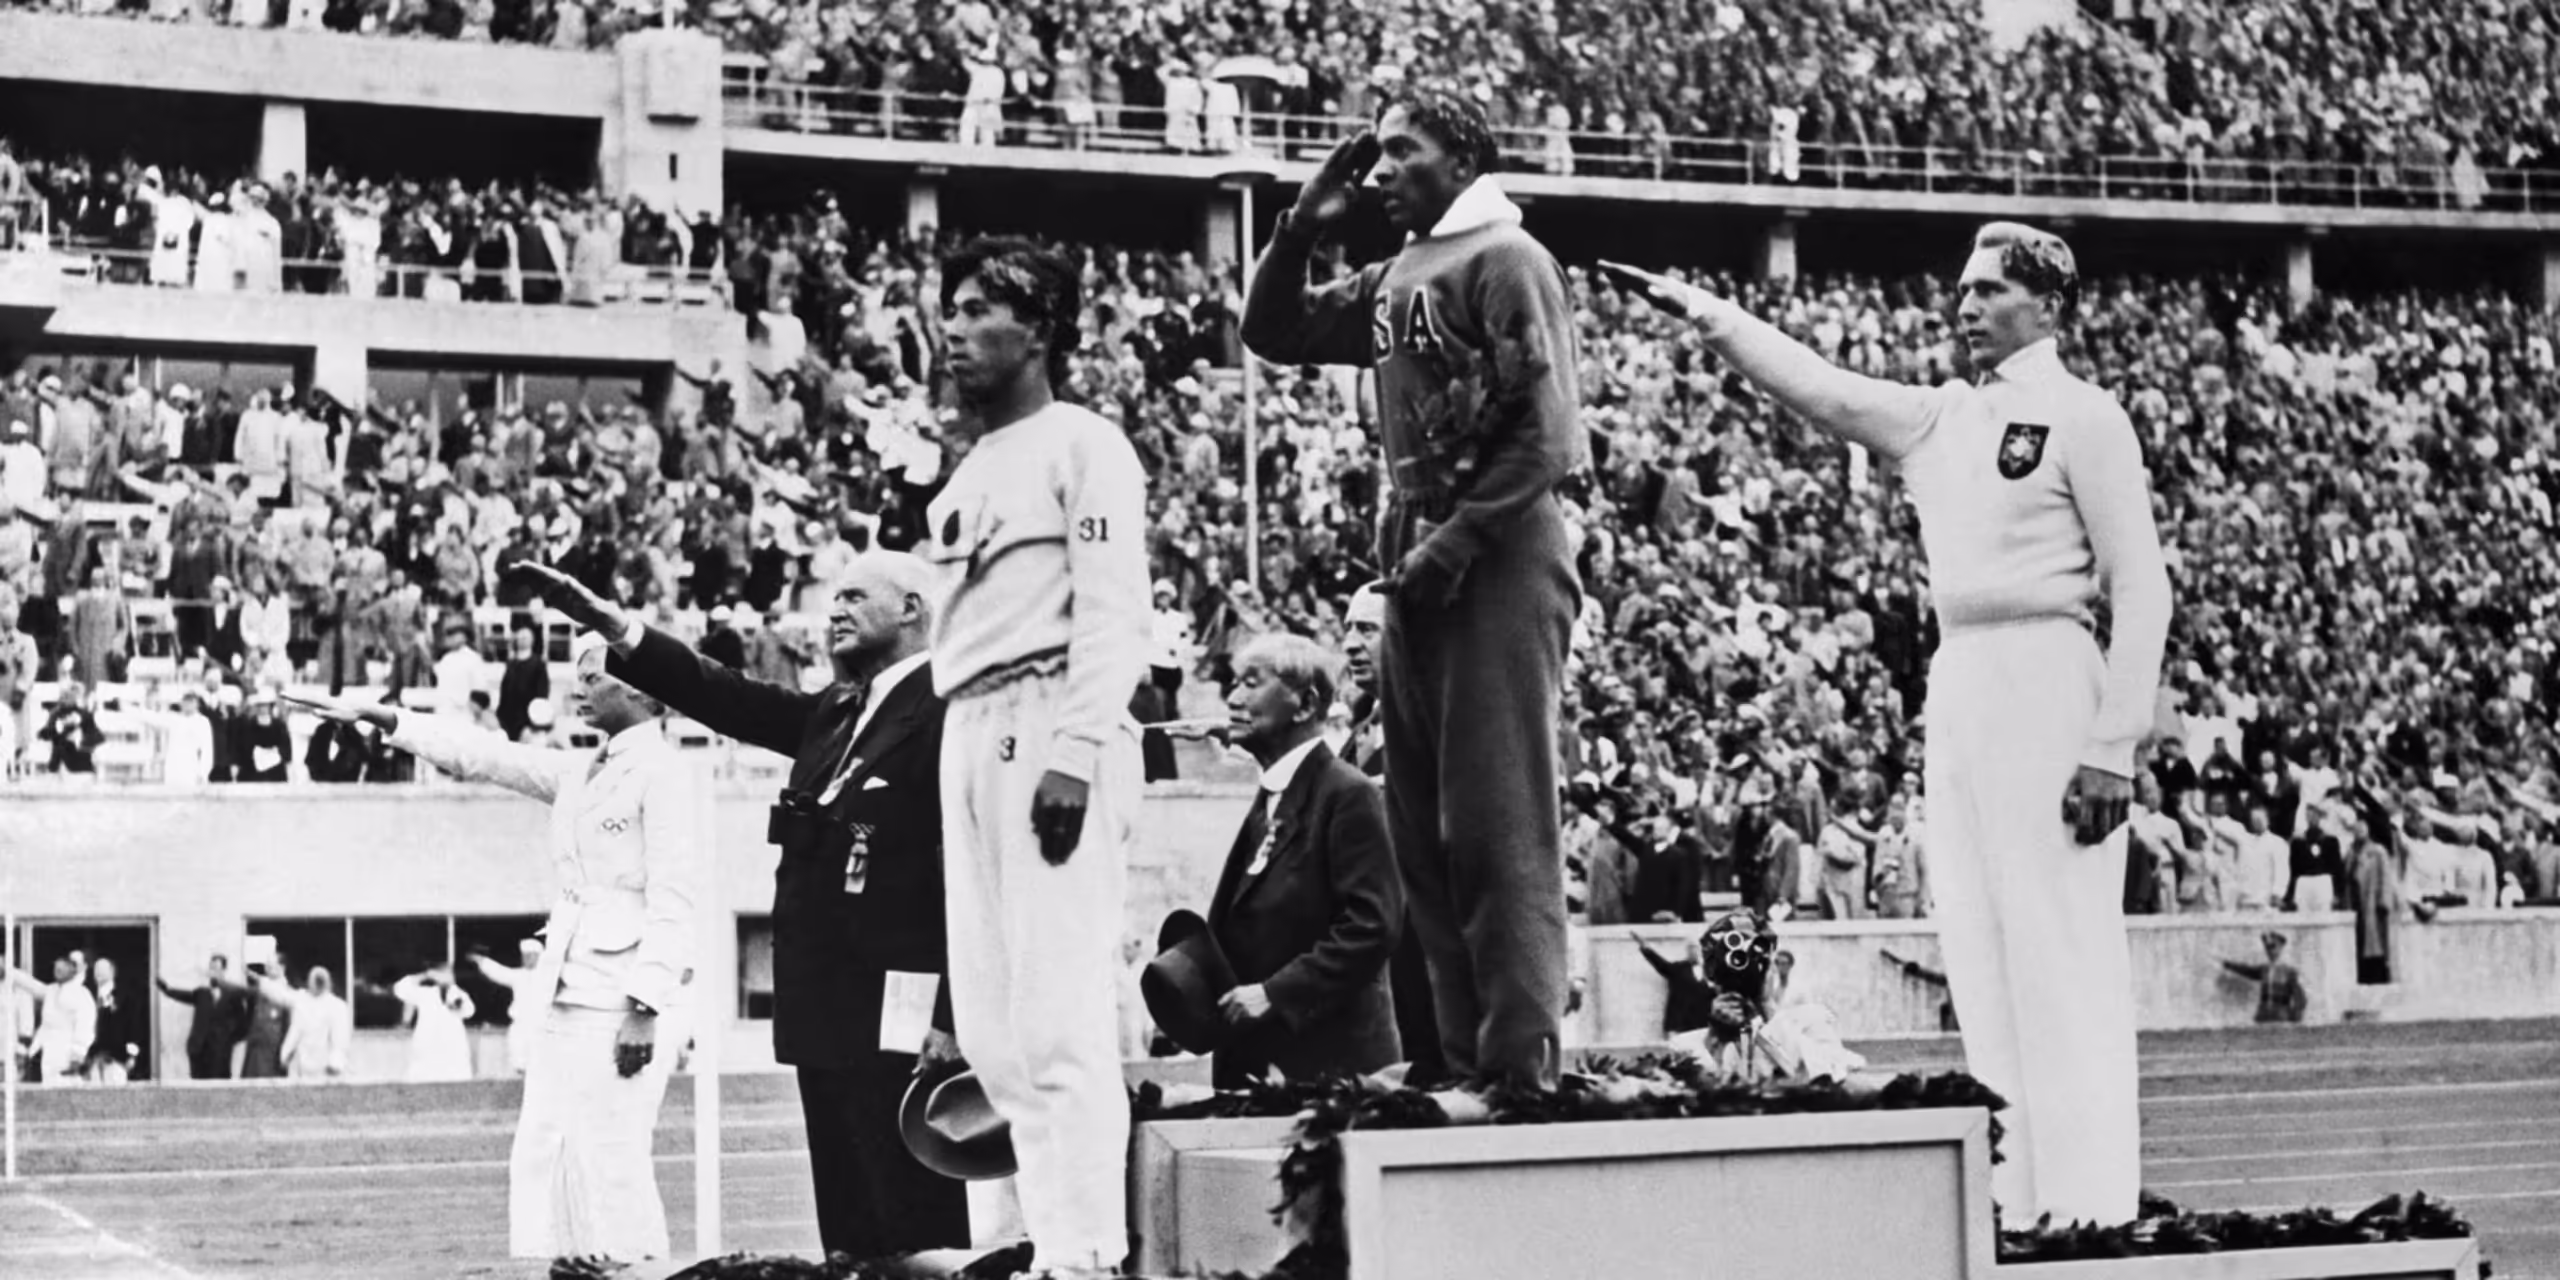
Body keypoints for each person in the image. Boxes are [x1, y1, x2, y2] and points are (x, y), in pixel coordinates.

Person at [1607, 221, 2171, 1227]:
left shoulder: (2086, 417)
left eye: (1989, 289)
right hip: (1961, 677)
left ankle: (2091, 1206)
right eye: (1962, 289)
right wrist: (1705, 312)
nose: (1965, 305)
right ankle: (2016, 1201)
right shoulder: (1938, 417)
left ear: (2047, 306)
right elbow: (1820, 388)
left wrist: (2112, 743)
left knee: (2058, 951)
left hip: (2051, 668)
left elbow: (2142, 586)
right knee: (1980, 951)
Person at [1241, 91, 1586, 1091]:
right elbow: (1275, 329)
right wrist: (1301, 225)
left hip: (1495, 544)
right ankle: (1452, 1054)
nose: (1383, 170)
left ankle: (1519, 1067)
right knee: (1426, 825)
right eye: (1378, 153)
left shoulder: (1505, 258)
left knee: (1497, 823)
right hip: (1421, 543)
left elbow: (1549, 432)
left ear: (1464, 158)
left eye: (1405, 149)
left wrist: (1457, 539)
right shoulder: (1402, 269)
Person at [513, 550, 973, 1263]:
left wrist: (953, 1016)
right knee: (850, 1236)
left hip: (905, 1020)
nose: (835, 609)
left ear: (911, 608)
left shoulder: (950, 714)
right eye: (835, 597)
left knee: (915, 1227)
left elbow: (969, 875)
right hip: (828, 1013)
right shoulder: (836, 712)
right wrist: (616, 628)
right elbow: (723, 695)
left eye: (855, 596)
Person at [290, 638, 703, 1272]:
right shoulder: (580, 770)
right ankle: (576, 1263)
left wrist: (645, 1006)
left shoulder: (664, 774)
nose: (580, 688)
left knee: (615, 1151)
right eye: (579, 676)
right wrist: (384, 718)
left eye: (595, 678)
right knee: (550, 1146)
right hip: (566, 988)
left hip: (623, 993)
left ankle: (639, 1268)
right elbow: (485, 755)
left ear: (644, 694)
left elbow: (675, 898)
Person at [916, 237, 1152, 1278]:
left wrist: (1077, 747)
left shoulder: (1085, 445)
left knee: (1057, 1015)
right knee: (994, 1029)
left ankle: (1085, 1252)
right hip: (968, 721)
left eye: (979, 309)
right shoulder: (970, 466)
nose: (954, 329)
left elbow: (1113, 608)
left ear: (1042, 328)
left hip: (1046, 712)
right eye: (951, 309)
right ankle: (1043, 1241)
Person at [1197, 634, 1403, 1088]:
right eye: (1234, 683)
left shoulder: (1349, 794)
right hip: (1264, 1065)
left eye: (1252, 683)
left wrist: (1277, 993)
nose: (1233, 698)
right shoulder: (1273, 795)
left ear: (1306, 704)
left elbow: (1372, 926)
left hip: (1332, 1072)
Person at [6, 951, 97, 1083]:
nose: (57, 972)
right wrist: (8, 970)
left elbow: (85, 1026)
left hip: (67, 1054)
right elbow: (30, 984)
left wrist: (78, 1054)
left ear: (73, 970)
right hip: (44, 1052)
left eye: (61, 969)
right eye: (56, 970)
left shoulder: (82, 994)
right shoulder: (51, 991)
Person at [157, 954, 250, 1080]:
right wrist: (166, 990)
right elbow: (185, 996)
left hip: (220, 1053)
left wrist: (229, 1040)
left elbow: (243, 1025)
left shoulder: (233, 996)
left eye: (217, 968)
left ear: (224, 971)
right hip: (199, 1051)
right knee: (198, 1086)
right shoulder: (202, 993)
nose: (213, 972)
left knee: (219, 1085)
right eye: (211, 968)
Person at [394, 965, 477, 1082]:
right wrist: (425, 975)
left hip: (452, 1048)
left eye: (448, 975)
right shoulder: (425, 994)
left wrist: (458, 1005)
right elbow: (400, 989)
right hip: (427, 1047)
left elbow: (469, 1011)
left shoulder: (459, 994)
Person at [281, 966, 353, 1079]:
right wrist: (285, 1054)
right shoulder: (301, 1002)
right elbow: (295, 1032)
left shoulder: (337, 1007)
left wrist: (335, 1063)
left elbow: (340, 1041)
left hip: (326, 1072)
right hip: (303, 1070)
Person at [84, 957, 143, 1083]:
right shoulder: (87, 995)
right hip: (91, 1058)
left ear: (112, 972)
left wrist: (132, 1054)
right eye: (96, 969)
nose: (98, 972)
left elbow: (133, 1025)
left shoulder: (124, 997)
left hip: (117, 1057)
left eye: (102, 969)